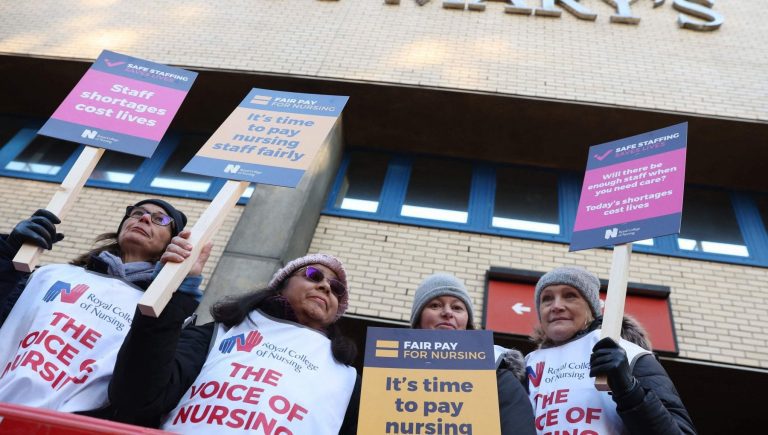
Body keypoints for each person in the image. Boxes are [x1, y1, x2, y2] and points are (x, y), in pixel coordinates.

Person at [109, 250, 360, 434]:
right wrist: (172, 292)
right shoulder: (216, 335)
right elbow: (137, 397)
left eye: (336, 289)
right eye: (314, 275)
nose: (326, 286)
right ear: (280, 286)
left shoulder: (347, 379)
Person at [0, 199, 189, 419]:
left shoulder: (165, 315)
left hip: (61, 426)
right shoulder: (52, 275)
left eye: (160, 219)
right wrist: (6, 257)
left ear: (172, 243)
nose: (144, 218)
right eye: (137, 213)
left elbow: (142, 392)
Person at [526, 266, 697, 434]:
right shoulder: (526, 368)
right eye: (547, 298)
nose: (556, 306)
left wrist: (629, 391)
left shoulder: (631, 356)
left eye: (570, 296)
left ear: (591, 310)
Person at [410, 273, 536, 435]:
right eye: (435, 305)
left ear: (467, 323)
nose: (448, 313)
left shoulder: (498, 375)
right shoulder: (387, 374)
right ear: (418, 320)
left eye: (457, 307)